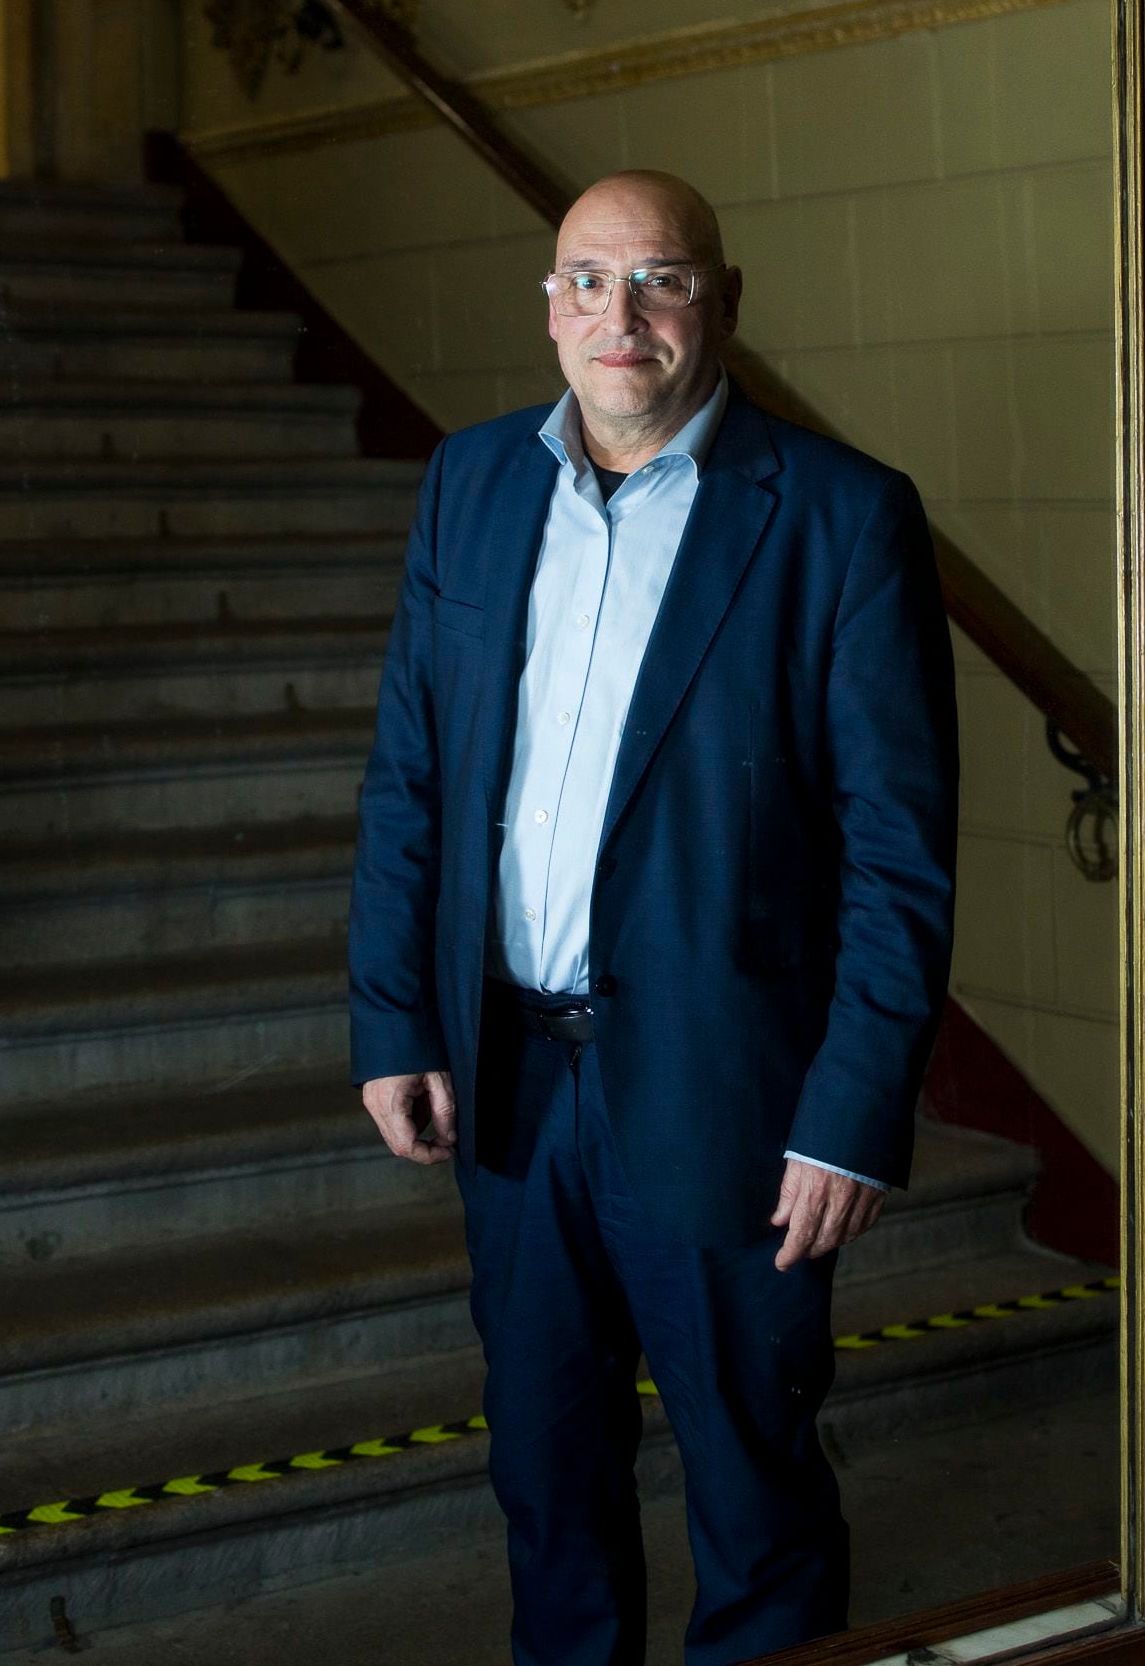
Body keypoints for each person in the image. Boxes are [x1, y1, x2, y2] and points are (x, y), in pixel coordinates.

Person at [349, 168, 958, 1665]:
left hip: (731, 1097)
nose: (620, 316)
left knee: (755, 1490)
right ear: (547, 306)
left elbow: (899, 853)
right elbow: (411, 778)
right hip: (514, 1079)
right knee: (546, 1475)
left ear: (723, 306)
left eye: (661, 280)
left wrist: (852, 1112)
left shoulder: (841, 517)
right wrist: (394, 1016)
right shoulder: (471, 484)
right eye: (586, 281)